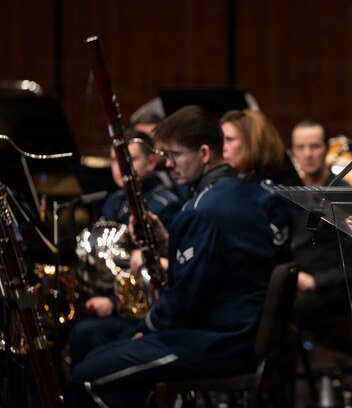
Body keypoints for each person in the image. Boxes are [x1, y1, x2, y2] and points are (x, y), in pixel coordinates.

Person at [68, 105, 291, 408]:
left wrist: (144, 329)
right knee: (101, 354)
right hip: (236, 334)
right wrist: (167, 243)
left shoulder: (203, 210)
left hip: (217, 343)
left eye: (174, 155)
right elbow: (218, 264)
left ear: (203, 153)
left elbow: (184, 302)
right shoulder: (238, 193)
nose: (168, 165)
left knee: (84, 375)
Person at [69, 129, 182, 367]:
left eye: (129, 160)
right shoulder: (114, 201)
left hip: (142, 308)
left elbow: (160, 271)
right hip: (113, 296)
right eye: (114, 160)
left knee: (85, 333)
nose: (120, 166)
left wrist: (112, 302)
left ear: (152, 161)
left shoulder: (164, 204)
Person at [289, 120, 352, 331]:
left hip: (328, 289)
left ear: (326, 149)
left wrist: (316, 281)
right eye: (300, 148)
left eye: (314, 146)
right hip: (296, 279)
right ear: (293, 152)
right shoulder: (292, 193)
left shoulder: (343, 194)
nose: (308, 154)